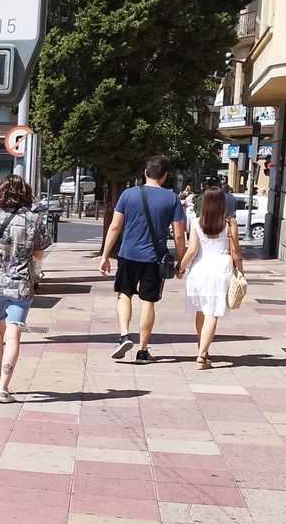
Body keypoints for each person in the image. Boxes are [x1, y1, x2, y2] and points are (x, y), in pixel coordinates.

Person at [98, 156, 188, 362]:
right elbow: (179, 234)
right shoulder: (172, 199)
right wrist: (181, 261)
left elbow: (114, 226)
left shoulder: (128, 195)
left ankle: (123, 335)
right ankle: (143, 350)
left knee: (124, 294)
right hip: (155, 259)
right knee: (148, 301)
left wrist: (105, 255)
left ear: (145, 173)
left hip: (128, 254)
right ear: (164, 176)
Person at [0, 175, 52, 403]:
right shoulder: (35, 221)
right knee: (14, 334)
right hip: (21, 285)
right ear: (25, 193)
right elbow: (38, 254)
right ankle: (4, 389)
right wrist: (35, 273)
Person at [179, 186, 242, 369]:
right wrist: (241, 272)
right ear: (223, 203)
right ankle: (201, 356)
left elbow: (192, 250)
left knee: (201, 311)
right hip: (219, 271)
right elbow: (235, 252)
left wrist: (180, 267)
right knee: (212, 313)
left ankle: (203, 350)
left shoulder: (197, 222)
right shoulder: (230, 224)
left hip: (199, 270)